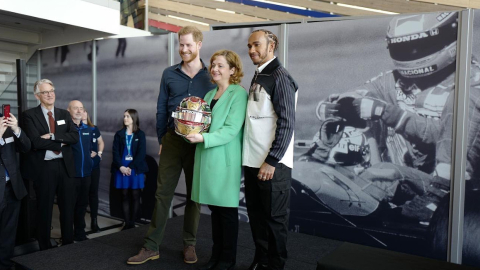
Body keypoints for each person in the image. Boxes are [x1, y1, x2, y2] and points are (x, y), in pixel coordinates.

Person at [127, 25, 215, 265]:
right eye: (181, 44)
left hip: (199, 144)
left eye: (188, 45)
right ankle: (151, 246)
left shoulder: (212, 75)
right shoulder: (169, 73)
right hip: (172, 141)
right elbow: (161, 107)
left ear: (199, 45)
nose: (184, 49)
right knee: (162, 194)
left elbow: (216, 110)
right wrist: (163, 138)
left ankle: (189, 244)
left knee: (194, 197)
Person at [185, 50, 247, 270]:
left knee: (227, 212)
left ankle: (227, 260)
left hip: (223, 160)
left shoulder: (238, 94)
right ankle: (216, 256)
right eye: (213, 65)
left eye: (220, 65)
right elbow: (202, 124)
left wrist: (202, 137)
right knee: (215, 211)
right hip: (207, 157)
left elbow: (231, 130)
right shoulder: (210, 95)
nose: (215, 69)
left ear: (232, 70)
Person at [243, 29, 298, 270]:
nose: (251, 50)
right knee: (257, 218)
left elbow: (287, 123)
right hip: (253, 162)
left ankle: (275, 266)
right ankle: (261, 261)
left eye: (256, 45)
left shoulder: (279, 76)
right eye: (249, 46)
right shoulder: (259, 75)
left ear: (271, 46)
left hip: (273, 166)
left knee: (275, 222)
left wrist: (272, 160)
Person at [22, 79, 79, 250]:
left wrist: (53, 137)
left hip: (65, 166)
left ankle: (68, 243)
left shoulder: (64, 114)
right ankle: (44, 247)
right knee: (44, 209)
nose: (50, 94)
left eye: (52, 90)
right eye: (45, 92)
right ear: (37, 95)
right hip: (45, 167)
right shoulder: (29, 115)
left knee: (68, 207)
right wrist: (62, 142)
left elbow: (75, 137)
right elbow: (35, 142)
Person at [0, 113, 31, 269]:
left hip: (12, 188)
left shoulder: (6, 126)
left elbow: (26, 147)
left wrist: (16, 129)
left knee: (8, 233)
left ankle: (5, 265)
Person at [112, 109, 148, 230]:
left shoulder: (140, 134)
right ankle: (127, 223)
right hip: (121, 168)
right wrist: (121, 167)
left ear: (134, 118)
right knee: (124, 194)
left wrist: (130, 167)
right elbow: (115, 152)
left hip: (135, 168)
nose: (125, 118)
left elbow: (141, 154)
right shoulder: (119, 134)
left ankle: (132, 223)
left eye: (127, 116)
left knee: (135, 194)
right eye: (124, 116)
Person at [67, 100, 94, 241]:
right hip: (71, 175)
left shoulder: (87, 129)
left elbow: (89, 149)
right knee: (69, 206)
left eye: (81, 108)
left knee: (82, 205)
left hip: (86, 174)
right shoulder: (66, 129)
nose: (79, 111)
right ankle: (68, 235)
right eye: (75, 108)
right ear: (69, 111)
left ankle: (80, 232)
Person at [82, 110, 104, 233]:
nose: (83, 113)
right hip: (83, 167)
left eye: (84, 110)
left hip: (94, 166)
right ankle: (81, 222)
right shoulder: (77, 129)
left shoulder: (94, 128)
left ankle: (94, 221)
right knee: (83, 195)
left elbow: (101, 142)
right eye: (80, 110)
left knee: (93, 194)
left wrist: (99, 153)